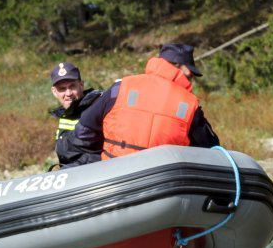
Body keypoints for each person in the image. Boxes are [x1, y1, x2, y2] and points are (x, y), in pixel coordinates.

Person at [66, 42, 218, 165]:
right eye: (190, 73)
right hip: (164, 185)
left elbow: (83, 132)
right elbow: (211, 150)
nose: (191, 78)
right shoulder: (189, 104)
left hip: (112, 176)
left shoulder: (121, 87)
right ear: (179, 67)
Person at [48, 61, 102, 168]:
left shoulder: (95, 108)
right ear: (54, 92)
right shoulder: (65, 114)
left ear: (81, 85)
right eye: (62, 89)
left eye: (72, 86)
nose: (68, 93)